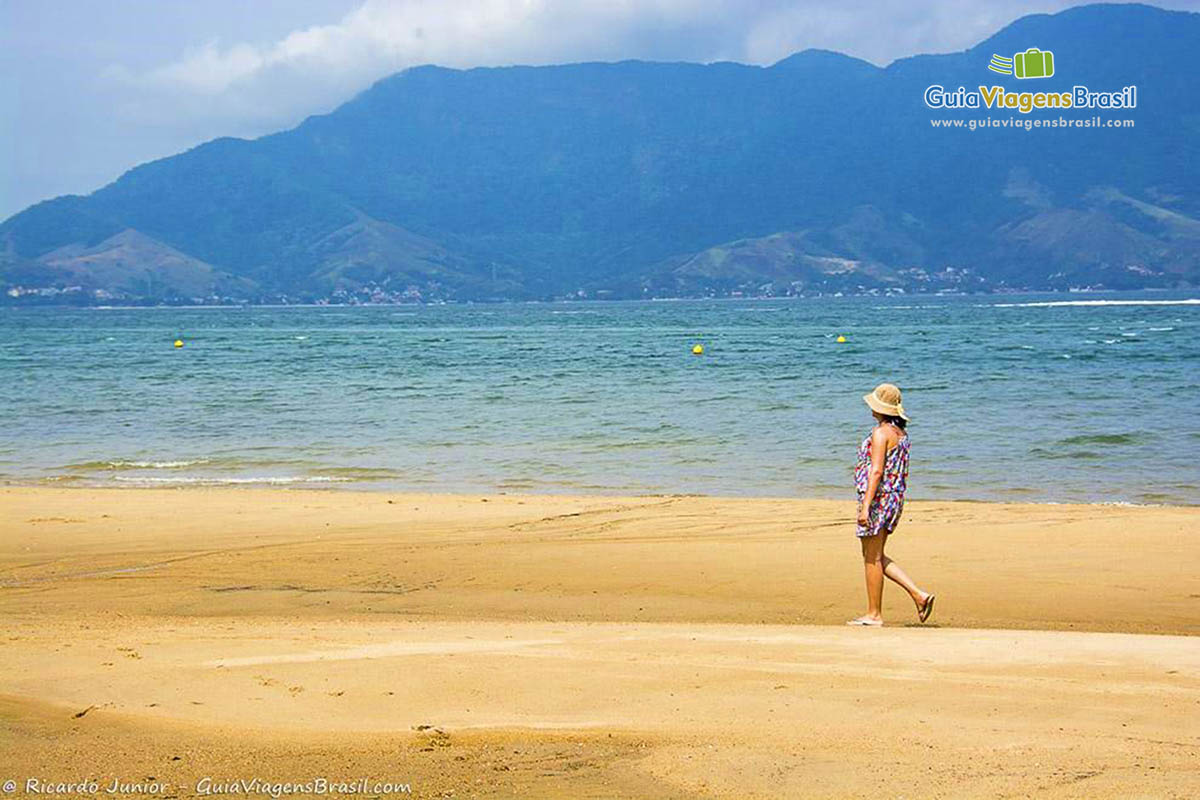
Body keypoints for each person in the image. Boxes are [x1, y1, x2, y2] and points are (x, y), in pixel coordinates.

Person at [847, 383, 934, 626]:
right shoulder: (901, 435)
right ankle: (919, 595)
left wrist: (865, 506)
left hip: (878, 499)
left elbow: (876, 471)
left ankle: (874, 614)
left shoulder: (880, 433)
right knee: (874, 555)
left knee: (871, 558)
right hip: (893, 499)